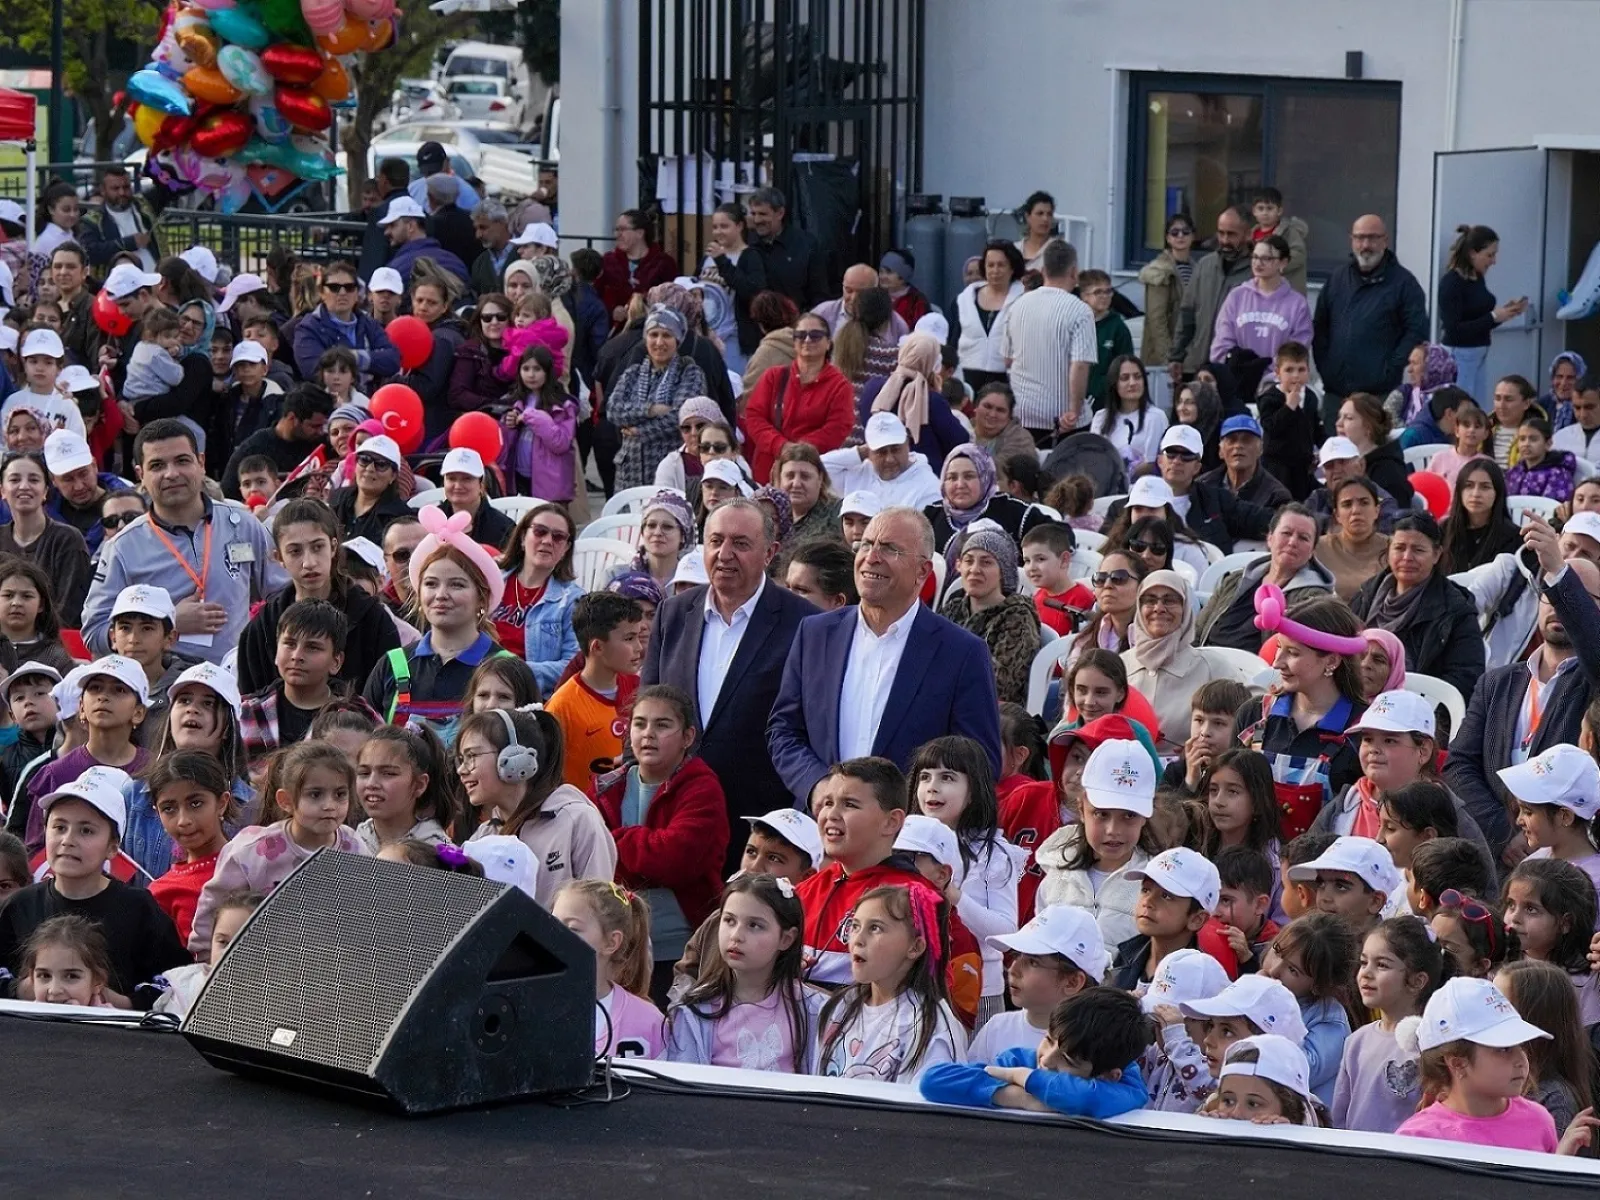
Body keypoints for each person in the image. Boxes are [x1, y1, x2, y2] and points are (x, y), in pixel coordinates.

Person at [768, 506, 1003, 802]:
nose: (871, 557)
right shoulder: (814, 634)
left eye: (890, 549)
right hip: (819, 825)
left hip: (905, 835)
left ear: (922, 572)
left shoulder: (962, 652)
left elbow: (980, 763)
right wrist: (817, 786)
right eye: (866, 544)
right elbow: (784, 730)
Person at [642, 498, 816, 872]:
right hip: (675, 820)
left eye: (740, 543)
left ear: (769, 553)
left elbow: (809, 728)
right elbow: (648, 706)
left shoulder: (805, 624)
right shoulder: (673, 612)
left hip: (759, 827)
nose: (724, 554)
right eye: (715, 540)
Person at [81, 421, 284, 665]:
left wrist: (260, 647)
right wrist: (164, 622)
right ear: (140, 475)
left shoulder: (243, 525)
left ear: (201, 463)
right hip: (161, 692)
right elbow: (94, 630)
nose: (171, 473)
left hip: (235, 681)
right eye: (157, 465)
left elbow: (282, 596)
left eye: (182, 461)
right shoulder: (122, 547)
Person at [0, 769, 189, 1007]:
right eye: (59, 827)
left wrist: (126, 1003)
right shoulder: (20, 905)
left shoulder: (139, 908)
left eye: (86, 830)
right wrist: (20, 989)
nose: (68, 840)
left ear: (113, 847)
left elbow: (177, 981)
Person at [592, 685, 729, 1003]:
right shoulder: (606, 788)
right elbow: (593, 858)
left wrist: (619, 840)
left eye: (662, 725)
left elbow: (673, 860)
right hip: (616, 951)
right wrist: (642, 852)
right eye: (639, 723)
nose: (648, 734)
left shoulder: (703, 789)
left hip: (681, 952)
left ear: (688, 736)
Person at [189, 742, 364, 956]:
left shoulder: (356, 848)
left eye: (339, 794)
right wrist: (206, 958)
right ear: (286, 801)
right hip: (257, 961)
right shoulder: (252, 851)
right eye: (315, 795)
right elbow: (215, 907)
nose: (329, 805)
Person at [1393, 977, 1593, 1154]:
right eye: (1503, 1048)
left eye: (1520, 1045)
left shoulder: (1539, 1120)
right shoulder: (1418, 1139)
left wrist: (1559, 1165)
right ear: (1458, 1063)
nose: (1521, 1059)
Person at [361, 506, 513, 736]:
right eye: (431, 584)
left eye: (457, 584)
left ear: (482, 597)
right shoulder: (392, 665)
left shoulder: (507, 668)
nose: (441, 594)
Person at [1235, 596, 1369, 839]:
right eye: (1279, 648)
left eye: (1293, 653)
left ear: (1331, 661)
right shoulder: (1256, 714)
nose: (1277, 663)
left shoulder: (1362, 732)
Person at [665, 872, 824, 1071]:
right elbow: (683, 1086)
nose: (736, 935)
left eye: (754, 925)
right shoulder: (695, 1010)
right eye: (729, 921)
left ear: (786, 939)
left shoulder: (813, 1010)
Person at [1313, 215, 1430, 428]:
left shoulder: (1404, 283)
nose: (1365, 245)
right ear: (1351, 240)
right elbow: (1320, 326)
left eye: (1372, 238)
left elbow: (1417, 331)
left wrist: (1390, 368)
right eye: (1360, 238)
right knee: (1334, 457)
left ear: (1385, 240)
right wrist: (1326, 367)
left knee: (1372, 456)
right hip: (1335, 396)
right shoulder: (1338, 278)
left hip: (1378, 396)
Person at [1349, 513, 1484, 698]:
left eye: (1418, 550)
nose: (1407, 557)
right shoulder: (1366, 595)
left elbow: (1466, 676)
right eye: (1399, 548)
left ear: (1436, 555)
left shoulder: (1455, 611)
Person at [545, 591, 646, 794]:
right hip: (586, 816)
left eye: (639, 637)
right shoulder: (562, 706)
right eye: (629, 638)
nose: (639, 647)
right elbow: (547, 778)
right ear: (597, 647)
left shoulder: (641, 689)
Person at [1196, 505, 1332, 652]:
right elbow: (1197, 630)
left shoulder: (1313, 598)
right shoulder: (1235, 579)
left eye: (1303, 538)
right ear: (1270, 538)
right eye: (1286, 533)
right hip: (1206, 661)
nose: (1292, 542)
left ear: (1312, 551)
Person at [551, 880, 661, 1057]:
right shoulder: (529, 1007)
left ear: (611, 942)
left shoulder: (649, 1020)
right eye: (552, 923)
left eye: (573, 928)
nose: (555, 935)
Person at [743, 311, 856, 483]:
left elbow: (838, 428)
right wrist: (781, 446)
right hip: (767, 474)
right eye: (801, 335)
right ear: (794, 342)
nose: (808, 340)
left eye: (816, 335)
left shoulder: (839, 385)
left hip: (811, 475)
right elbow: (753, 416)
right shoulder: (773, 376)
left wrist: (797, 452)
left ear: (828, 343)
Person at [1001, 240, 1095, 441]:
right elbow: (1079, 366)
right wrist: (1074, 411)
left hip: (1022, 414)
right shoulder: (1080, 311)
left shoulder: (1016, 307)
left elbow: (1007, 360)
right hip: (1063, 419)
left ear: (1043, 270)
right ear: (1073, 272)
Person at [939, 521, 1040, 705]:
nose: (974, 569)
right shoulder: (953, 608)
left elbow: (999, 684)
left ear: (1003, 571)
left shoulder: (1018, 617)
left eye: (986, 562)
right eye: (968, 560)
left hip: (989, 712)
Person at [609, 306, 709, 492]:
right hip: (630, 470)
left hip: (667, 467)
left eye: (667, 335)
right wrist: (651, 409)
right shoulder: (633, 373)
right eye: (653, 334)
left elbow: (678, 418)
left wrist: (639, 430)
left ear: (677, 340)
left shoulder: (689, 374)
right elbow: (614, 410)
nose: (659, 342)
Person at [1121, 571, 1216, 753]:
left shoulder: (1210, 667)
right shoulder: (1119, 666)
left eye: (1169, 600)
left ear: (1185, 608)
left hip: (1188, 774)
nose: (1159, 608)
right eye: (1150, 600)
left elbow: (1252, 715)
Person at [1209, 233, 1313, 396]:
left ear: (1283, 262)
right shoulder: (1237, 296)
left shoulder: (1297, 304)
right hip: (1236, 385)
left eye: (1267, 258)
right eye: (1255, 257)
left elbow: (1296, 352)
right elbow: (1221, 344)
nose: (1258, 263)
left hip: (1276, 389)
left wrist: (1269, 379)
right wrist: (1235, 372)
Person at [0, 451, 92, 627]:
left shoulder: (68, 540)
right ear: (2, 490)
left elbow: (69, 612)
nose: (24, 486)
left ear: (45, 491)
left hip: (51, 645)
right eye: (14, 480)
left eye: (34, 480)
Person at [1439, 224, 1526, 402]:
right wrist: (1493, 317)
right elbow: (1454, 329)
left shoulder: (1477, 278)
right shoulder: (1451, 283)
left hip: (1478, 354)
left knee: (1478, 408)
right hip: (1460, 357)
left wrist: (1505, 313)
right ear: (1472, 253)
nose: (1493, 261)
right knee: (1461, 410)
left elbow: (1479, 320)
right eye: (1489, 255)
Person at [860, 332, 969, 472]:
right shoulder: (932, 400)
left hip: (879, 471)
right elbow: (959, 440)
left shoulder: (872, 387)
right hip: (924, 476)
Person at [1167, 206, 1252, 385]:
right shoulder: (1205, 265)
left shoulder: (1256, 273)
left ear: (1247, 234)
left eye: (1232, 234)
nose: (1225, 240)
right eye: (1221, 233)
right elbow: (1187, 314)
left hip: (1233, 370)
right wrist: (1176, 356)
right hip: (1195, 365)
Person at [290, 260, 400, 387]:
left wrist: (355, 357)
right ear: (321, 293)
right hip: (328, 403)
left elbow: (393, 360)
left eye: (349, 287)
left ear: (356, 293)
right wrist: (364, 360)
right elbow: (314, 370)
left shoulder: (368, 322)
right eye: (334, 288)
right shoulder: (308, 328)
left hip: (370, 401)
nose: (342, 293)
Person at [220, 384, 332, 501]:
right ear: (292, 418)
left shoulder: (323, 443)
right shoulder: (254, 448)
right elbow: (227, 495)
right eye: (314, 426)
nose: (320, 432)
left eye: (323, 426)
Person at [698, 201, 767, 370]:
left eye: (724, 226)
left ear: (739, 226)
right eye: (715, 227)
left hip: (734, 340)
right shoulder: (708, 257)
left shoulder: (750, 257)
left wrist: (723, 261)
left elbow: (753, 291)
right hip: (707, 335)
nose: (718, 232)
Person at [951, 240, 1025, 392]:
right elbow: (953, 340)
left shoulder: (1024, 300)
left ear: (1012, 268)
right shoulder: (964, 299)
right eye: (990, 265)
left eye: (1001, 265)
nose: (995, 270)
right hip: (966, 377)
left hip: (1007, 380)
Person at [1137, 214, 1196, 403]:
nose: (1180, 236)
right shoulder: (1159, 271)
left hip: (1189, 354)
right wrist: (1168, 359)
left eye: (1185, 232)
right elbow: (1157, 319)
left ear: (1193, 236)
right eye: (1174, 232)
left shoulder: (1198, 268)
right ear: (1168, 238)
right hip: (1164, 358)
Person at [744, 187, 828, 310]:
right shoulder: (746, 243)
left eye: (762, 214)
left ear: (780, 213)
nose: (757, 220)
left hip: (796, 323)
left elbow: (819, 293)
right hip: (755, 325)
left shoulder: (805, 245)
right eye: (753, 213)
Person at [1314, 476, 1391, 602]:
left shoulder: (1394, 548)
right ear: (1337, 515)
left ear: (1377, 511)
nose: (1355, 510)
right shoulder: (1317, 549)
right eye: (1347, 504)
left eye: (1364, 503)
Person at [1440, 456, 1522, 574]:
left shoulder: (1512, 537)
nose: (1476, 494)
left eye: (1485, 487)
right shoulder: (1444, 530)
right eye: (1469, 485)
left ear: (1497, 493)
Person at [329, 434, 410, 545]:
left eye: (381, 465)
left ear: (393, 476)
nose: (370, 468)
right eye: (364, 460)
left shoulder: (399, 518)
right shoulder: (337, 498)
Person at [1092, 354, 1167, 472]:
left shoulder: (1156, 417)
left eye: (1137, 377)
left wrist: (1124, 479)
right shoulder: (1100, 417)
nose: (1132, 383)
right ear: (1114, 383)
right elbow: (1095, 459)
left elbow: (1150, 463)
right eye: (1125, 378)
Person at [377, 197, 469, 291]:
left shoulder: (396, 269)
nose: (386, 232)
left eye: (392, 225)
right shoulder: (456, 262)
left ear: (411, 226)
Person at [1506, 416, 1577, 503]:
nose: (1526, 444)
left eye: (1533, 439)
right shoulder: (1515, 471)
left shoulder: (1558, 474)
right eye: (1522, 439)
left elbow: (1552, 507)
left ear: (1548, 443)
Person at [468, 200, 515, 297]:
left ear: (502, 223)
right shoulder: (479, 263)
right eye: (476, 229)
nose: (478, 235)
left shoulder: (524, 254)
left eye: (483, 227)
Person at [1014, 191, 1057, 272]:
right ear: (1027, 217)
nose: (1045, 219)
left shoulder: (1058, 251)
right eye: (1040, 214)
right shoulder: (1014, 250)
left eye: (1049, 214)